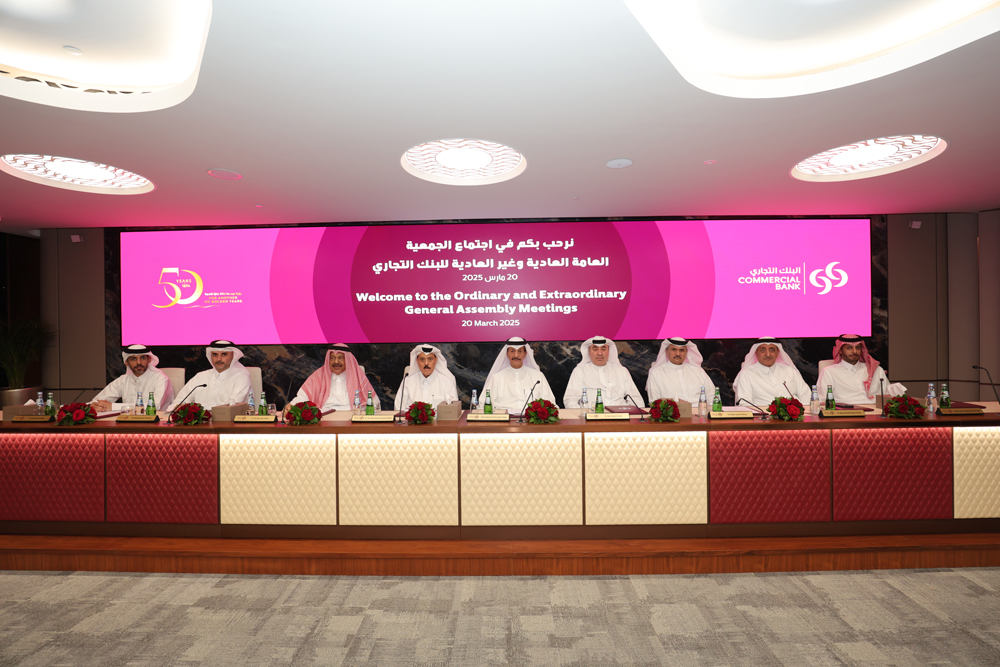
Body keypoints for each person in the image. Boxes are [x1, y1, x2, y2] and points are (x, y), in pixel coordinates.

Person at [817, 334, 906, 404]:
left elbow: (888, 397)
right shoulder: (829, 372)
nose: (854, 351)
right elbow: (822, 401)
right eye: (849, 348)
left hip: (876, 414)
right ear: (840, 350)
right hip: (845, 415)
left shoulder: (876, 370)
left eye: (858, 347)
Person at [290, 343, 380, 413]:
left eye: (340, 358)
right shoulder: (318, 376)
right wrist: (292, 406)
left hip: (352, 418)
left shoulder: (357, 376)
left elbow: (374, 403)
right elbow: (302, 398)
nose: (336, 362)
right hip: (324, 419)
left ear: (347, 360)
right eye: (332, 358)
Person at [166, 340, 251, 411]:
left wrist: (197, 409)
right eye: (215, 354)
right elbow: (179, 403)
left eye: (224, 354)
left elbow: (232, 407)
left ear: (233, 356)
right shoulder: (201, 377)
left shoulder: (241, 377)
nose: (219, 359)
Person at [563, 335, 644, 408]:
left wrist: (632, 414)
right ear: (589, 352)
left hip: (619, 417)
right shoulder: (580, 371)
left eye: (603, 349)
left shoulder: (621, 371)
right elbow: (570, 399)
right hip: (591, 417)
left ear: (608, 351)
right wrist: (581, 414)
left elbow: (636, 400)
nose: (600, 353)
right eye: (595, 349)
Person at [482, 337, 557, 413]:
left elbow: (550, 403)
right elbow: (483, 404)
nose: (516, 355)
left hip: (530, 419)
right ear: (507, 354)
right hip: (503, 419)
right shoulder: (496, 378)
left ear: (525, 354)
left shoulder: (538, 377)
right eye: (512, 351)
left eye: (520, 351)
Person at [733, 337, 811, 409]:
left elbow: (806, 394)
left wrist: (801, 412)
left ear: (778, 352)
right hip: (763, 417)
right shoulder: (746, 374)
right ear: (756, 353)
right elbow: (744, 404)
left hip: (795, 417)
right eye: (762, 350)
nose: (768, 354)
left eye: (772, 350)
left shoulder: (790, 370)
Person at [91, 344, 174, 412]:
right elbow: (97, 401)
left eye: (143, 358)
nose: (139, 362)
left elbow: (155, 406)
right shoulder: (123, 380)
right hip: (128, 423)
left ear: (149, 359)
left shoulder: (161, 379)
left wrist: (113, 407)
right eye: (133, 359)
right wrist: (96, 406)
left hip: (156, 423)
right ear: (126, 362)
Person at [646, 337, 716, 405]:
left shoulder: (698, 371)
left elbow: (711, 396)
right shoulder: (656, 373)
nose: (678, 353)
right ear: (667, 352)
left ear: (686, 353)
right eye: (674, 349)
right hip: (671, 412)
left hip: (699, 411)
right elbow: (654, 403)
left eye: (681, 350)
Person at [393, 344, 458, 410]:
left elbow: (453, 411)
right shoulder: (407, 382)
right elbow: (398, 409)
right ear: (417, 361)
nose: (426, 363)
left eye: (430, 359)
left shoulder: (447, 383)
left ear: (435, 360)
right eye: (422, 359)